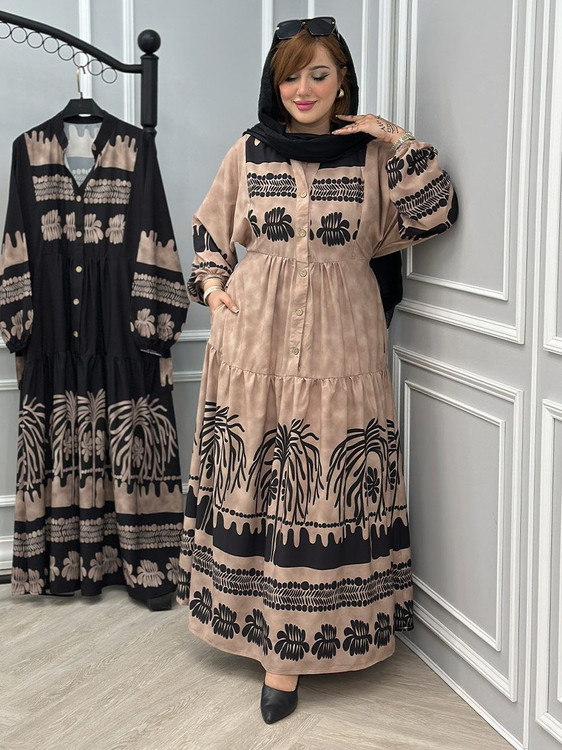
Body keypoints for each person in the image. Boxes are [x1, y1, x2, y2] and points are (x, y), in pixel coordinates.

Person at [177, 16, 458, 724]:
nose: (303, 89)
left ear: (342, 82)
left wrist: (395, 137)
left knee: (322, 485)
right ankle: (260, 634)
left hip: (343, 343)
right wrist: (214, 289)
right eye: (290, 76)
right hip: (254, 342)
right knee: (258, 475)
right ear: (274, 84)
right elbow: (210, 227)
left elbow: (434, 214)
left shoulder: (370, 157)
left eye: (319, 74)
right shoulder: (249, 150)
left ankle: (296, 648)